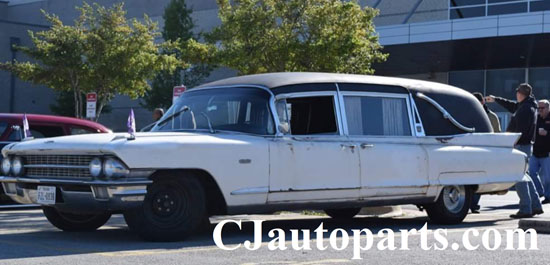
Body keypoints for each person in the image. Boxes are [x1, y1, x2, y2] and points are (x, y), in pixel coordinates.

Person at [486, 83, 544, 218]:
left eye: (517, 92)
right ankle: (535, 206)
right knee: (525, 176)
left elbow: (521, 131)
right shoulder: (526, 105)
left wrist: (510, 143)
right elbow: (511, 105)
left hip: (520, 146)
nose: (516, 95)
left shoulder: (525, 109)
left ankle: (525, 208)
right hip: (524, 146)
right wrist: (496, 99)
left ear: (520, 94)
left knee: (518, 177)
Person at [470, 92, 501, 213]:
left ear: (482, 102)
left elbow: (497, 134)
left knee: (480, 178)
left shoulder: (491, 117)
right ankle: (471, 203)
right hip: (470, 151)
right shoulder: (467, 115)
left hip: (485, 152)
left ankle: (473, 204)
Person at [532, 99, 550, 204]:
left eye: (542, 108)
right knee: (531, 173)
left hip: (547, 152)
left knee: (547, 178)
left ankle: (548, 196)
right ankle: (539, 192)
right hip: (535, 151)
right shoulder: (536, 118)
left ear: (548, 108)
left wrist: (547, 133)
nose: (540, 110)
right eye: (538, 108)